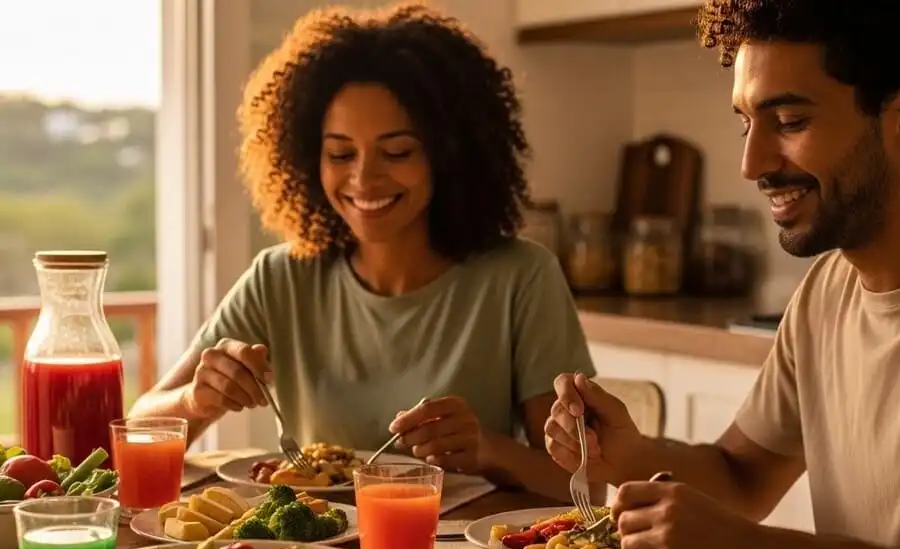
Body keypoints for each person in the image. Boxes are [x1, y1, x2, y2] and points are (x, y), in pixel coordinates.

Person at [130, 2, 594, 501]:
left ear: (450, 154)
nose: (363, 179)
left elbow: (589, 481)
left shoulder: (521, 278)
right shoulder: (281, 278)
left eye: (396, 152)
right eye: (340, 154)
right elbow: (138, 431)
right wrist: (197, 401)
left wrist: (491, 450)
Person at [545, 0, 900, 549]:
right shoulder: (826, 292)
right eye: (745, 125)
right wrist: (629, 453)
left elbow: (755, 535)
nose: (751, 164)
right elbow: (740, 478)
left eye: (788, 120)